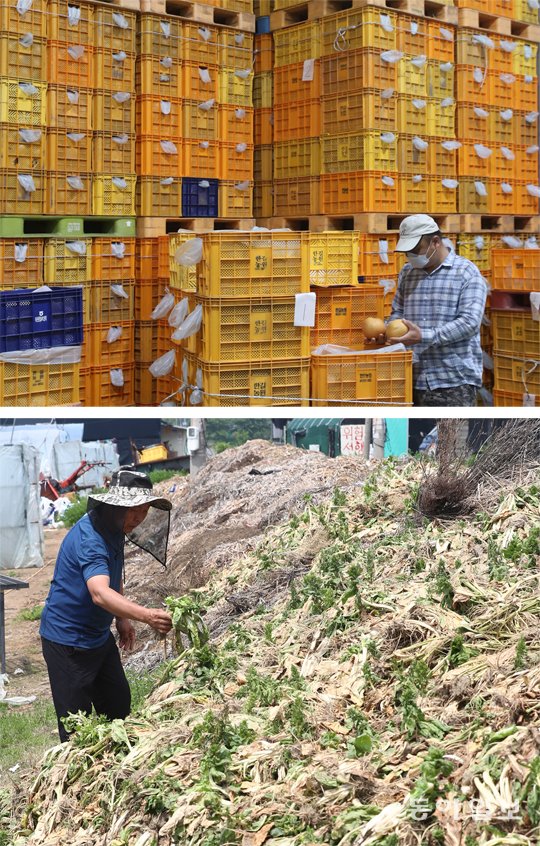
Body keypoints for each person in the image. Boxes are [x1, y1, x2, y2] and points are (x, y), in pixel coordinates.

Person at [40, 467, 174, 742]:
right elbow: (100, 593)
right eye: (132, 509)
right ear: (114, 505)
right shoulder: (90, 539)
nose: (138, 517)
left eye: (144, 509)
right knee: (76, 729)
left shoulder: (116, 526)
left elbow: (114, 574)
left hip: (98, 639)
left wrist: (121, 619)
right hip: (67, 643)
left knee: (118, 706)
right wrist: (146, 616)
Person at [387, 214, 487, 407]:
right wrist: (387, 331)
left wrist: (423, 335)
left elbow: (469, 323)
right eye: (407, 252)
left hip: (453, 380)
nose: (410, 257)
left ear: (435, 242)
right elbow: (398, 311)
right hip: (412, 376)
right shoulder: (408, 273)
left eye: (415, 250)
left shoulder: (466, 273)